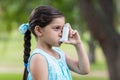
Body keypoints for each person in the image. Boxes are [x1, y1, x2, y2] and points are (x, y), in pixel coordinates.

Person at [19, 5, 90, 80]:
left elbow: (83, 70)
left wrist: (78, 43)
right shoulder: (39, 58)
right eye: (57, 28)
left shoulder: (59, 53)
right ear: (39, 30)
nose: (61, 33)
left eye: (62, 29)